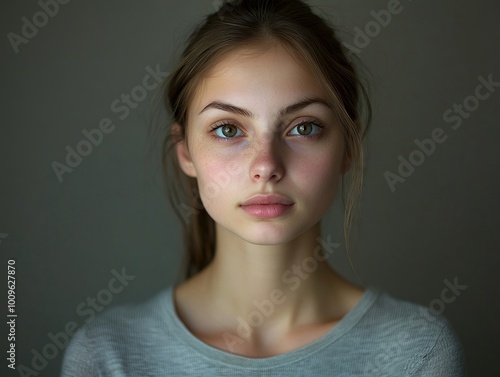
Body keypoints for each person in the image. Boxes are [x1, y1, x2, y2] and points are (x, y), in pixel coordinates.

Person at [60, 0, 466, 375]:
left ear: (348, 148)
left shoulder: (416, 353)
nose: (266, 166)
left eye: (303, 127)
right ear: (185, 150)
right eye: (228, 129)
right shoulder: (108, 355)